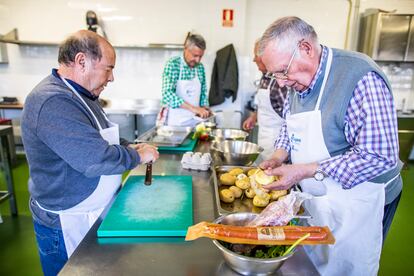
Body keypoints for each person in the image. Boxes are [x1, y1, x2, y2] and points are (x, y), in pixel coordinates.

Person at [257, 17, 403, 276]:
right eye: (275, 75)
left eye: (282, 71)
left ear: (306, 49)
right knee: (317, 263)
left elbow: (379, 156)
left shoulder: (359, 77)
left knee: (349, 265)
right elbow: (289, 126)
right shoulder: (297, 80)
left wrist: (304, 170)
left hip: (362, 200)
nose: (280, 82)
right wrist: (279, 156)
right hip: (322, 193)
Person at [21, 30, 159, 276]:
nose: (112, 77)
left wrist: (131, 146)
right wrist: (137, 156)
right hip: (66, 223)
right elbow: (95, 159)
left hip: (92, 211)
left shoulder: (83, 95)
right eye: (108, 68)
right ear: (82, 61)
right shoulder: (53, 101)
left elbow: (98, 138)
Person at [242, 40, 288, 159]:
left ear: (264, 57)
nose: (253, 59)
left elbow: (291, 118)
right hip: (264, 138)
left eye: (255, 55)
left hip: (277, 144)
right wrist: (254, 117)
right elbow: (264, 105)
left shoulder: (280, 82)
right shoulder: (265, 77)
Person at [159, 33, 211, 127]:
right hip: (176, 124)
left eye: (200, 56)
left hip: (195, 123)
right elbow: (167, 94)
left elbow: (203, 92)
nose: (198, 60)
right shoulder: (173, 64)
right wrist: (193, 108)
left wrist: (205, 108)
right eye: (195, 55)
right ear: (186, 48)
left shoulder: (200, 68)